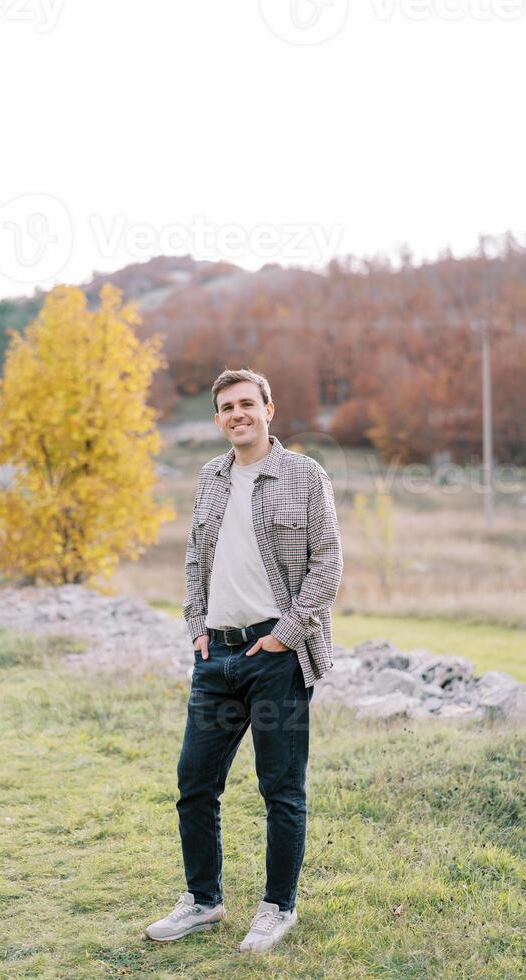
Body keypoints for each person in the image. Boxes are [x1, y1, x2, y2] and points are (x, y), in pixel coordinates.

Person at [144, 368, 344, 954]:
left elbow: (327, 564)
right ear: (217, 419)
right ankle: (203, 901)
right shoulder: (210, 477)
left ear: (268, 410)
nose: (238, 414)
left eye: (247, 404)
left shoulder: (305, 475)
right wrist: (195, 629)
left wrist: (285, 635)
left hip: (275, 658)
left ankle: (277, 908)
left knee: (280, 788)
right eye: (227, 407)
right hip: (216, 659)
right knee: (194, 783)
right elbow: (193, 564)